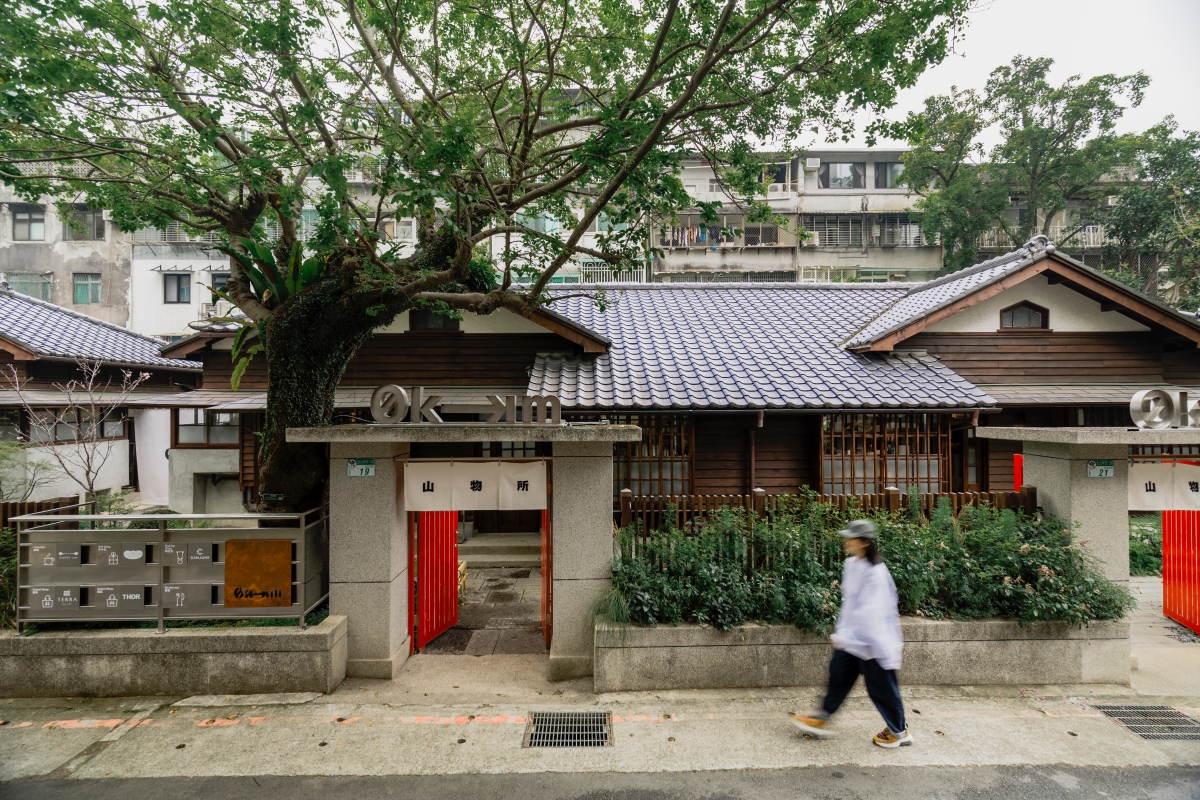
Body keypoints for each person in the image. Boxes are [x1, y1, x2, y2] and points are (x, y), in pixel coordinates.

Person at [789, 519, 911, 748]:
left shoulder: (877, 574)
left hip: (875, 642)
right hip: (852, 639)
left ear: (864, 542)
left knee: (881, 689)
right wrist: (843, 633)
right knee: (837, 674)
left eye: (851, 538)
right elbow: (850, 603)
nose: (847, 541)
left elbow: (873, 613)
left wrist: (848, 636)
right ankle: (821, 717)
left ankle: (898, 731)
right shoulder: (852, 565)